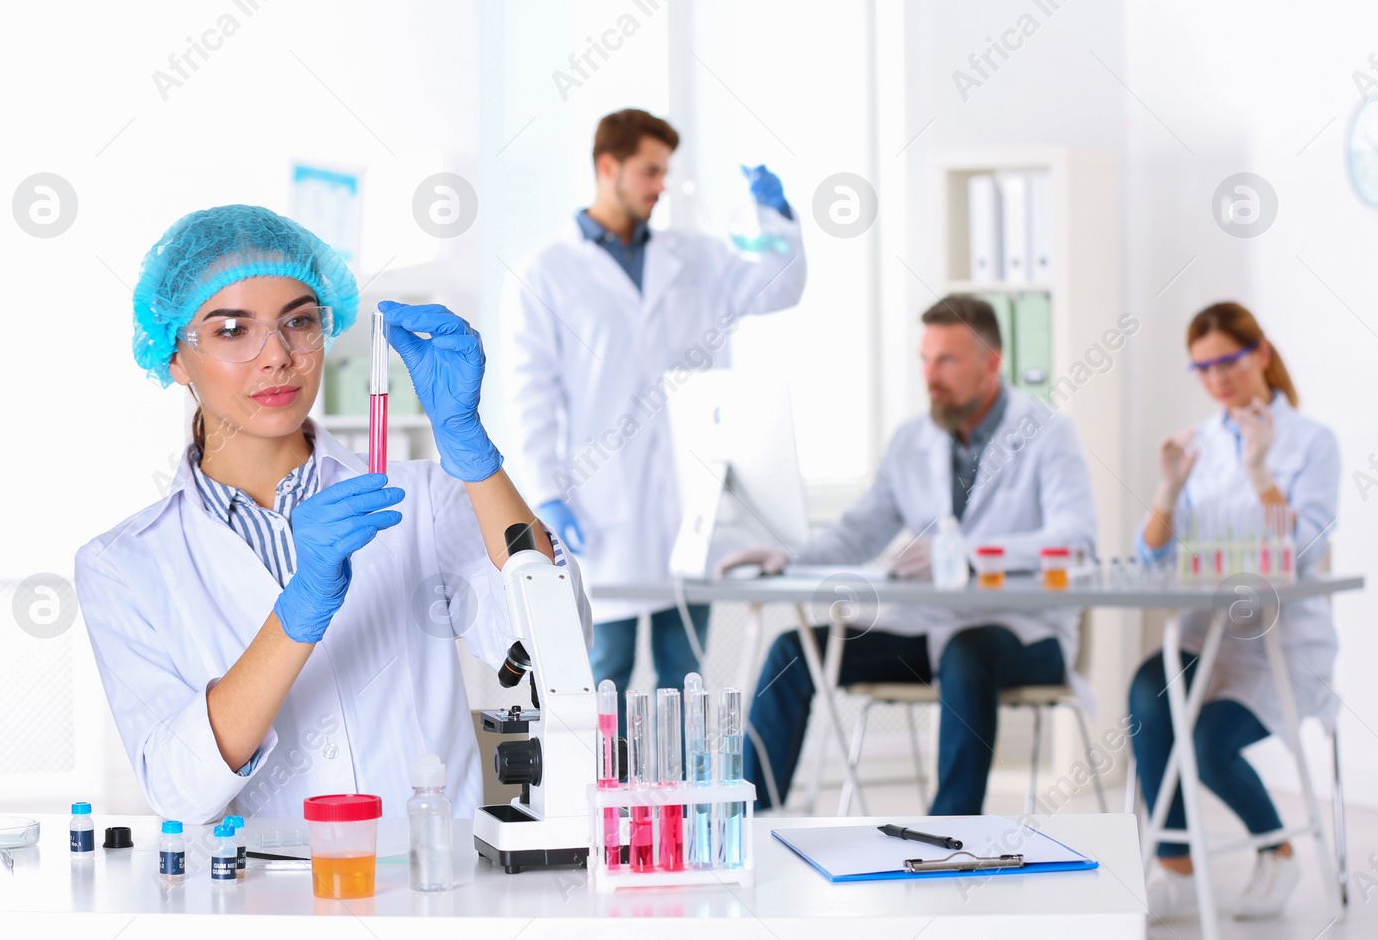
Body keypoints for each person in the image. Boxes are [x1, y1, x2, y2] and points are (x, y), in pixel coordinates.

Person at [76, 205, 590, 824]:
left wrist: (472, 451)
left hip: (433, 891)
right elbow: (178, 789)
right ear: (175, 357)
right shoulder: (122, 565)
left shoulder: (425, 498)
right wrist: (297, 613)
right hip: (262, 900)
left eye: (298, 321)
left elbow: (551, 645)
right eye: (232, 330)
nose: (276, 356)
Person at [719, 295, 1097, 813]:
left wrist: (972, 555)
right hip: (926, 625)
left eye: (947, 360)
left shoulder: (1048, 434)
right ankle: (747, 822)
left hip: (1024, 630)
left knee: (969, 652)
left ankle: (950, 840)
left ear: (992, 363)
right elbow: (859, 532)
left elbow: (1076, 541)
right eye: (925, 359)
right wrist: (789, 558)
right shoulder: (911, 440)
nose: (931, 375)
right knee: (794, 652)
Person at [502, 108, 806, 692]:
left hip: (689, 503)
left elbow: (781, 286)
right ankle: (594, 788)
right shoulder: (547, 273)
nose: (661, 186)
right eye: (649, 171)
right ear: (607, 166)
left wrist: (778, 215)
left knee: (686, 679)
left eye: (665, 172)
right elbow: (530, 397)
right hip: (597, 509)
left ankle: (686, 790)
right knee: (603, 671)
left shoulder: (696, 257)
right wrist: (546, 496)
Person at [1131, 302, 1339, 924]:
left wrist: (1258, 470)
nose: (1217, 378)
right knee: (1149, 696)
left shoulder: (1311, 442)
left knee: (1207, 742)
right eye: (1203, 368)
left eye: (1228, 360)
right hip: (1205, 639)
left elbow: (1303, 554)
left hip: (1283, 645)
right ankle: (1175, 865)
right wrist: (1168, 488)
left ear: (1262, 355)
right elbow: (1151, 556)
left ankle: (1276, 850)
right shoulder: (1198, 442)